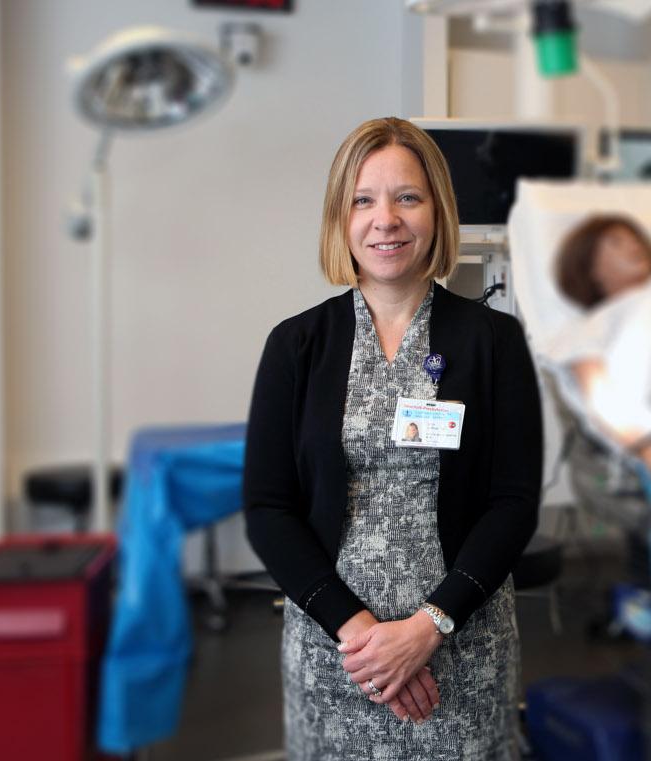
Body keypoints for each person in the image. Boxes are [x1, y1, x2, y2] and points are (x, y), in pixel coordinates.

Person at [243, 116, 542, 760]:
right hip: (337, 654)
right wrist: (361, 635)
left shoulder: (494, 343)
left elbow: (512, 503)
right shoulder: (297, 345)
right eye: (363, 200)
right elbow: (269, 508)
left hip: (462, 650)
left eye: (407, 197)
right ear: (340, 218)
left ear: (437, 208)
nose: (387, 219)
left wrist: (428, 628)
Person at [553, 214, 651, 506]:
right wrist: (650, 453)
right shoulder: (592, 327)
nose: (633, 245)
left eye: (635, 239)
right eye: (616, 242)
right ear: (591, 269)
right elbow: (600, 394)